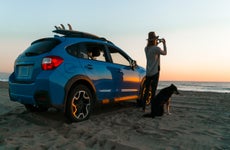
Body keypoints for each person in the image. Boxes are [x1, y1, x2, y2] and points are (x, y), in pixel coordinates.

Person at [142, 31, 167, 114]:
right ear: (155, 39)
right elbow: (165, 53)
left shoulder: (146, 49)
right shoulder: (156, 48)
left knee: (146, 91)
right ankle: (152, 109)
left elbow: (153, 50)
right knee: (153, 91)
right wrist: (164, 43)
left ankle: (144, 108)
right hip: (155, 72)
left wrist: (157, 44)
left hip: (148, 72)